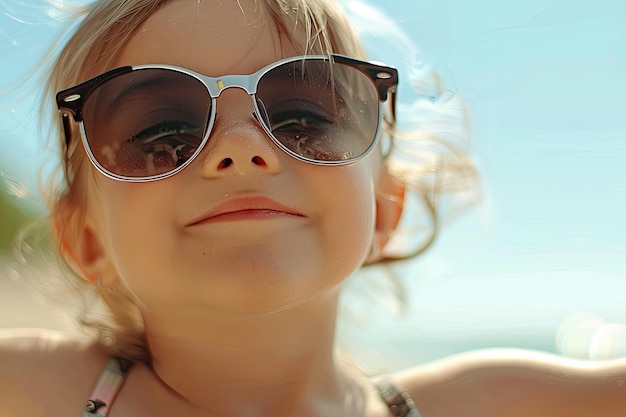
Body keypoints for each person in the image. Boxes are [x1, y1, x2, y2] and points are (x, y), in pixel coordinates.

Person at [0, 0, 625, 416]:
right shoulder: (42, 389)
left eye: (301, 117)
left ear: (384, 209)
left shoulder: (483, 403)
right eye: (163, 133)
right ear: (85, 240)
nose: (242, 151)